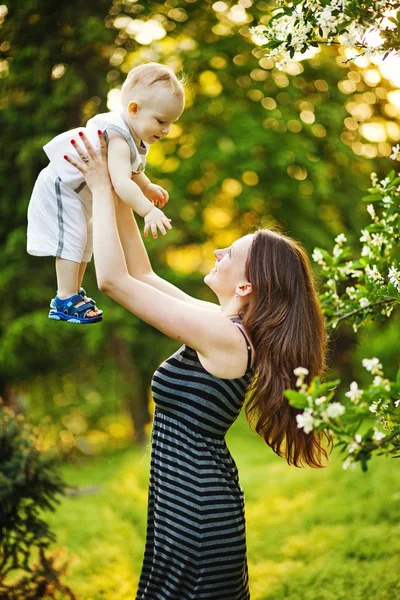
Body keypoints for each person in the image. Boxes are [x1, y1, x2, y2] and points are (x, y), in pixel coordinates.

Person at [65, 131, 329, 599]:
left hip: (196, 512)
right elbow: (141, 274)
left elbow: (111, 280)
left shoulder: (225, 337)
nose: (216, 252)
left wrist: (103, 190)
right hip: (185, 502)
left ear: (246, 286)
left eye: (230, 253)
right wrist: (122, 184)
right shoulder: (218, 324)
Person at [27, 63, 183, 324]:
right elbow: (121, 183)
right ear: (134, 109)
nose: (166, 130)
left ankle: (74, 294)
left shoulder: (135, 136)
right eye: (161, 121)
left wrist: (147, 186)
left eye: (171, 123)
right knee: (74, 236)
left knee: (86, 240)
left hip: (80, 193)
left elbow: (132, 172)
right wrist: (148, 210)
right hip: (62, 186)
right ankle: (64, 297)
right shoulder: (119, 136)